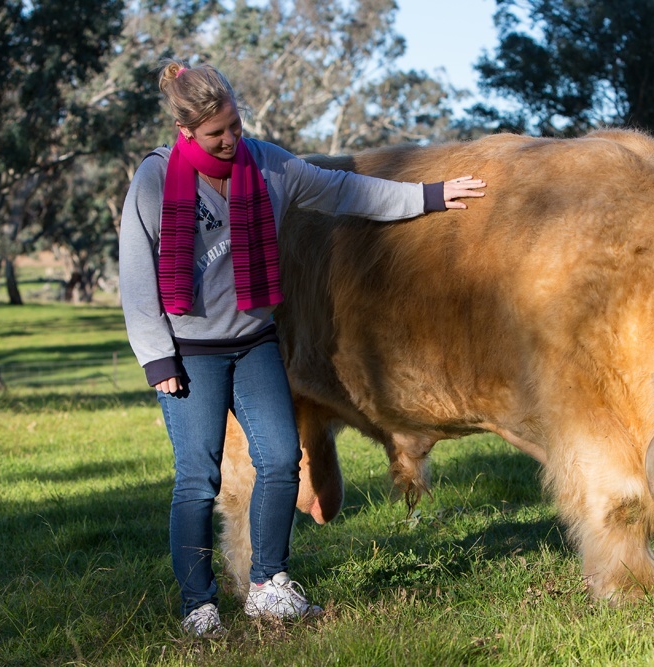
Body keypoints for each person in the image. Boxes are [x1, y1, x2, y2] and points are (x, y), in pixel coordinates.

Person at [119, 60, 486, 637]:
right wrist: (157, 357)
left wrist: (432, 195)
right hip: (190, 351)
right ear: (186, 132)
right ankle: (199, 604)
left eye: (235, 125)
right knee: (198, 478)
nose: (230, 139)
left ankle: (269, 584)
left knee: (281, 460)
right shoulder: (155, 180)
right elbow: (136, 277)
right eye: (216, 134)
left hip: (256, 340)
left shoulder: (266, 164)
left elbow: (346, 190)